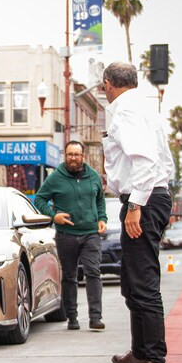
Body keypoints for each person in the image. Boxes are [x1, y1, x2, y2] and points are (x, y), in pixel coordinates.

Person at [101, 62, 174, 363]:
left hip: (142, 200)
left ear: (107, 84)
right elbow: (164, 161)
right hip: (149, 197)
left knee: (142, 284)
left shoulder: (126, 111)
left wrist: (136, 206)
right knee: (132, 282)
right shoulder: (145, 109)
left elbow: (144, 160)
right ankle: (141, 351)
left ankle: (156, 360)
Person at [33, 141, 108, 331]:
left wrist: (102, 218)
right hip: (66, 235)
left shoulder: (93, 176)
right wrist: (53, 216)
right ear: (65, 156)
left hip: (91, 233)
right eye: (69, 154)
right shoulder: (56, 177)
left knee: (93, 272)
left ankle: (95, 317)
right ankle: (72, 317)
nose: (73, 158)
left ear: (83, 156)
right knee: (69, 276)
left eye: (76, 154)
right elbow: (40, 198)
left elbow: (100, 200)